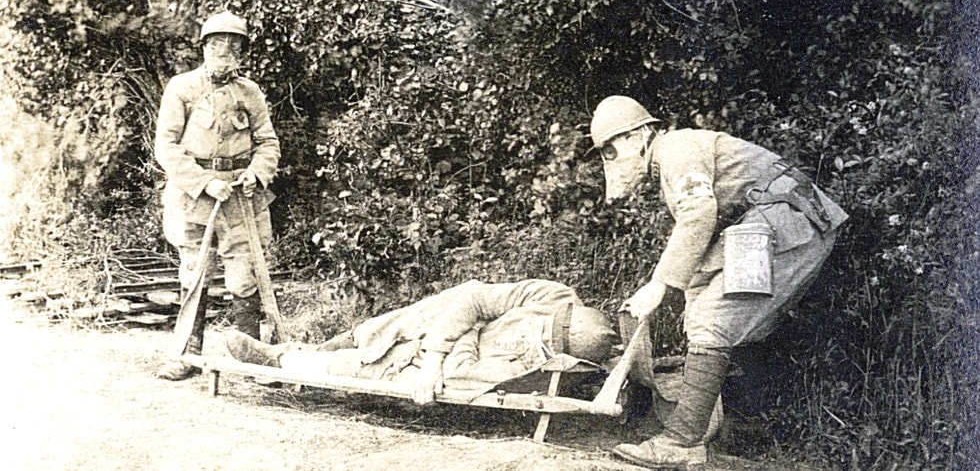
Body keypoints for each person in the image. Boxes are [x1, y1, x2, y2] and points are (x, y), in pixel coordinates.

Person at [589, 96, 848, 468]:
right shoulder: (674, 155)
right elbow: (707, 233)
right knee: (707, 309)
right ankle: (736, 426)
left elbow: (698, 214)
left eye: (611, 149)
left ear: (637, 136)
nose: (610, 160)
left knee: (713, 319)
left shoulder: (676, 148)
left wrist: (659, 285)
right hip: (774, 225)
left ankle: (682, 442)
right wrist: (686, 287)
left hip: (785, 223)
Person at [223, 279, 616, 404]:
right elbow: (477, 297)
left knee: (375, 363)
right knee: (410, 316)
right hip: (447, 334)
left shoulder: (536, 367)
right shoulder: (555, 296)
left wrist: (452, 342)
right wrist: (466, 329)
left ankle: (278, 364)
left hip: (430, 364)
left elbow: (463, 375)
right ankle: (298, 351)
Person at [155, 11, 281, 381]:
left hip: (241, 199)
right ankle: (186, 355)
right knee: (194, 273)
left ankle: (250, 357)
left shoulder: (250, 92)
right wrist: (204, 182)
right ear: (205, 47)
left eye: (234, 46)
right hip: (195, 196)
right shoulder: (182, 88)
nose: (225, 52)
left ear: (242, 52)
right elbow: (166, 146)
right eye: (218, 44)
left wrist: (255, 174)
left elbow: (267, 142)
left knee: (245, 275)